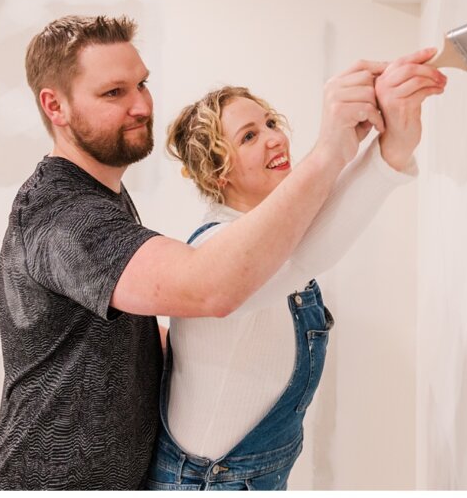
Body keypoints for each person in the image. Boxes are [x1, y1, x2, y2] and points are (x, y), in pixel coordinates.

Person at [0, 14, 439, 490]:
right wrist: (336, 151)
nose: (140, 105)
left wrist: (389, 152)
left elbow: (282, 258)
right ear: (55, 106)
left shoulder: (103, 198)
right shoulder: (64, 215)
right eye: (114, 92)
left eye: (142, 84)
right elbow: (213, 285)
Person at [145, 49, 445, 490]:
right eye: (248, 136)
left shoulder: (272, 237)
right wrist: (369, 152)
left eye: (269, 123)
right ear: (218, 173)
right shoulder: (215, 250)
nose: (274, 138)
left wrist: (392, 145)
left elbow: (313, 225)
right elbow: (306, 253)